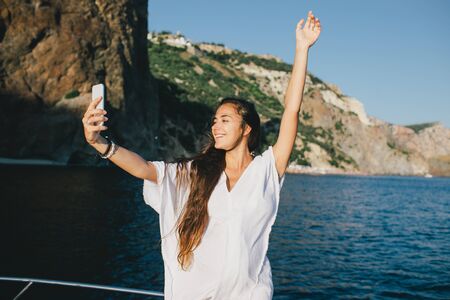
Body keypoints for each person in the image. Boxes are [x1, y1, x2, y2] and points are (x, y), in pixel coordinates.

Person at [82, 10, 321, 300]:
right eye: (214, 120)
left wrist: (301, 48)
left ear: (246, 129)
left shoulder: (266, 170)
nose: (215, 126)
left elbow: (291, 111)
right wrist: (99, 143)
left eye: (225, 120)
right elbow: (144, 168)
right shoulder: (198, 172)